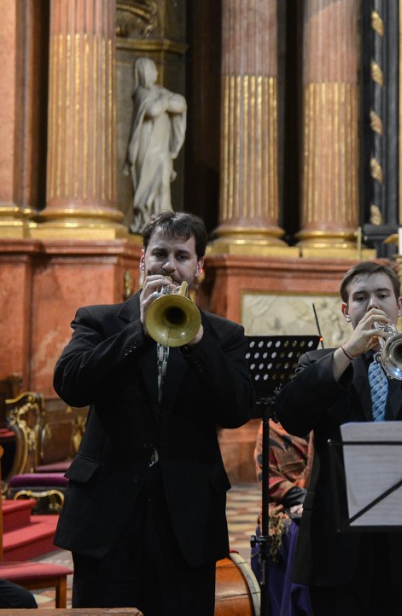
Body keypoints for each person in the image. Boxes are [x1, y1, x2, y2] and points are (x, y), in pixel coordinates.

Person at [52, 211, 255, 616]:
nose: (169, 265)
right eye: (160, 253)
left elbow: (237, 410)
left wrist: (199, 343)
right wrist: (138, 331)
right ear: (143, 259)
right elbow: (70, 385)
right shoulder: (99, 321)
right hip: (107, 517)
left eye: (182, 256)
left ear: (199, 267)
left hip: (187, 518)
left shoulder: (223, 336)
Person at [274, 261, 402, 615]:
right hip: (338, 541)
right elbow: (291, 416)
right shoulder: (319, 363)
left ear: (400, 305)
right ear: (346, 311)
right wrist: (346, 353)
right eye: (361, 298)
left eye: (382, 295)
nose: (373, 305)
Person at [252, 418, 313, 616]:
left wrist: (312, 499)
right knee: (294, 532)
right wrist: (302, 497)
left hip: (316, 497)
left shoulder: (320, 423)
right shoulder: (270, 428)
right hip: (283, 502)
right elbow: (267, 479)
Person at [124, 57, 187, 233]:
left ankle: (164, 221)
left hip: (162, 149)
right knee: (149, 186)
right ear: (144, 72)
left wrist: (163, 102)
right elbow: (152, 110)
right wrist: (166, 102)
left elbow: (181, 104)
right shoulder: (141, 94)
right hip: (147, 150)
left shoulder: (160, 92)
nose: (157, 73)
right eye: (153, 69)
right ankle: (146, 220)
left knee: (164, 183)